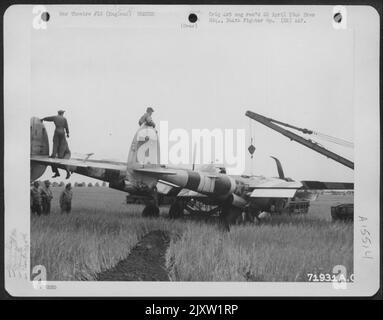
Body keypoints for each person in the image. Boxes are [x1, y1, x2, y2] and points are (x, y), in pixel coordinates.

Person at [41, 110, 70, 178]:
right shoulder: (64, 119)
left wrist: (43, 119)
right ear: (62, 113)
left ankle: (68, 172)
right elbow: (66, 127)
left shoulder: (55, 117)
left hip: (66, 153)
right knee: (53, 159)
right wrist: (68, 133)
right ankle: (57, 173)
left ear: (58, 113)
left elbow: (48, 118)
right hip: (62, 131)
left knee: (59, 159)